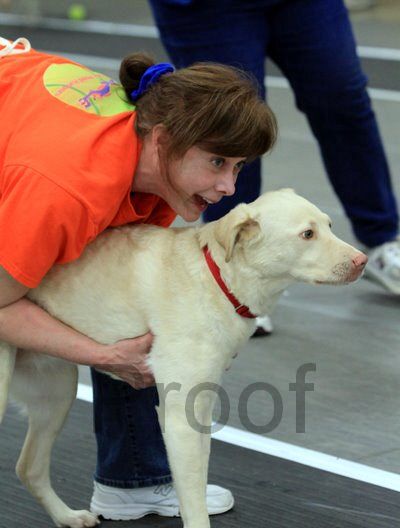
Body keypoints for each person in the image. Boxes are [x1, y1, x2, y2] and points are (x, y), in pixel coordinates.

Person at [0, 38, 277, 518]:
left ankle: (134, 478)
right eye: (217, 162)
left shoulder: (153, 171)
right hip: (41, 172)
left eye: (238, 168)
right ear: (163, 140)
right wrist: (105, 356)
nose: (229, 187)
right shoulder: (66, 192)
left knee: (127, 301)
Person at [149, 0, 400, 305]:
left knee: (342, 97)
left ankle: (381, 240)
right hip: (207, 8)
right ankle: (237, 280)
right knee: (232, 127)